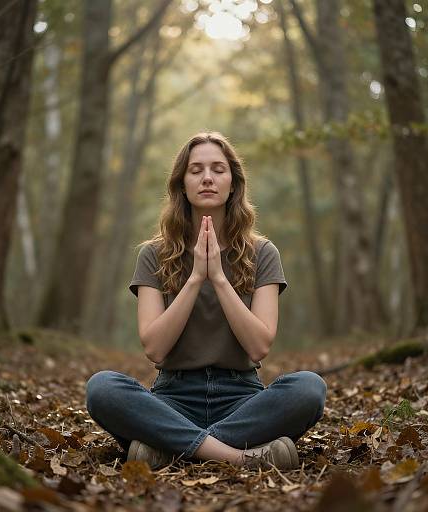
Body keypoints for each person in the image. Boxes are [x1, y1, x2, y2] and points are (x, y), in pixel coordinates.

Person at [86, 132, 327, 470]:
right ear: (182, 184)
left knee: (308, 388)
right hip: (172, 398)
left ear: (233, 183)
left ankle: (167, 448)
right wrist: (196, 277)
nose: (208, 178)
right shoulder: (153, 254)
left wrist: (218, 277)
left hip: (242, 399)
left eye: (218, 169)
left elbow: (259, 346)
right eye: (196, 170)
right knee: (102, 388)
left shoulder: (263, 253)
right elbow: (155, 348)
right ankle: (237, 456)